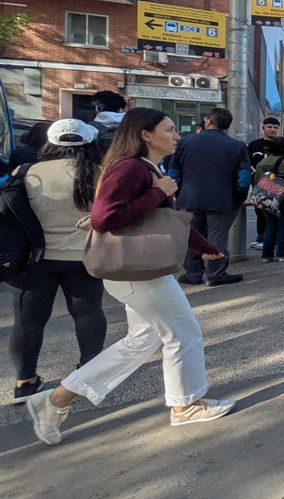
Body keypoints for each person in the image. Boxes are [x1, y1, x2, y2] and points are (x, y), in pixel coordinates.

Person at [25, 108, 233, 445]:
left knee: (142, 341)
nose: (177, 135)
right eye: (169, 129)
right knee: (183, 334)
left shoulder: (144, 167)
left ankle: (56, 399)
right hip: (139, 272)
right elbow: (104, 218)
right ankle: (186, 405)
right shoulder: (131, 168)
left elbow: (161, 219)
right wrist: (159, 192)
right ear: (145, 134)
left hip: (137, 270)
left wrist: (203, 245)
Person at [9, 119, 106, 403]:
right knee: (88, 313)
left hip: (34, 259)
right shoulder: (99, 173)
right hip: (85, 256)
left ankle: (25, 380)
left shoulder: (26, 172)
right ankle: (88, 372)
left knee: (28, 320)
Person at [169, 107, 251, 287]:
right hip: (222, 199)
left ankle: (193, 273)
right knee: (217, 236)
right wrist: (238, 196)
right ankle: (215, 273)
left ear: (208, 121)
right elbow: (244, 177)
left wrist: (178, 193)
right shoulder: (237, 146)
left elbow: (173, 171)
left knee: (192, 236)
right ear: (227, 126)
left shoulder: (185, 142)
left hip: (189, 198)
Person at [254, 136, 284, 264]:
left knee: (270, 226)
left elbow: (256, 180)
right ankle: (282, 253)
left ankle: (266, 255)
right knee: (283, 226)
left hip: (266, 196)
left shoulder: (262, 162)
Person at [247, 116, 282, 249]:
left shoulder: (281, 144)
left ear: (278, 129)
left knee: (274, 212)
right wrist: (254, 176)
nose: (272, 129)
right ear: (263, 128)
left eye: (275, 127)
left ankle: (274, 239)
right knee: (260, 211)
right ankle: (261, 237)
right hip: (258, 182)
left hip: (276, 183)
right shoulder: (254, 145)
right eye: (269, 127)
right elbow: (248, 162)